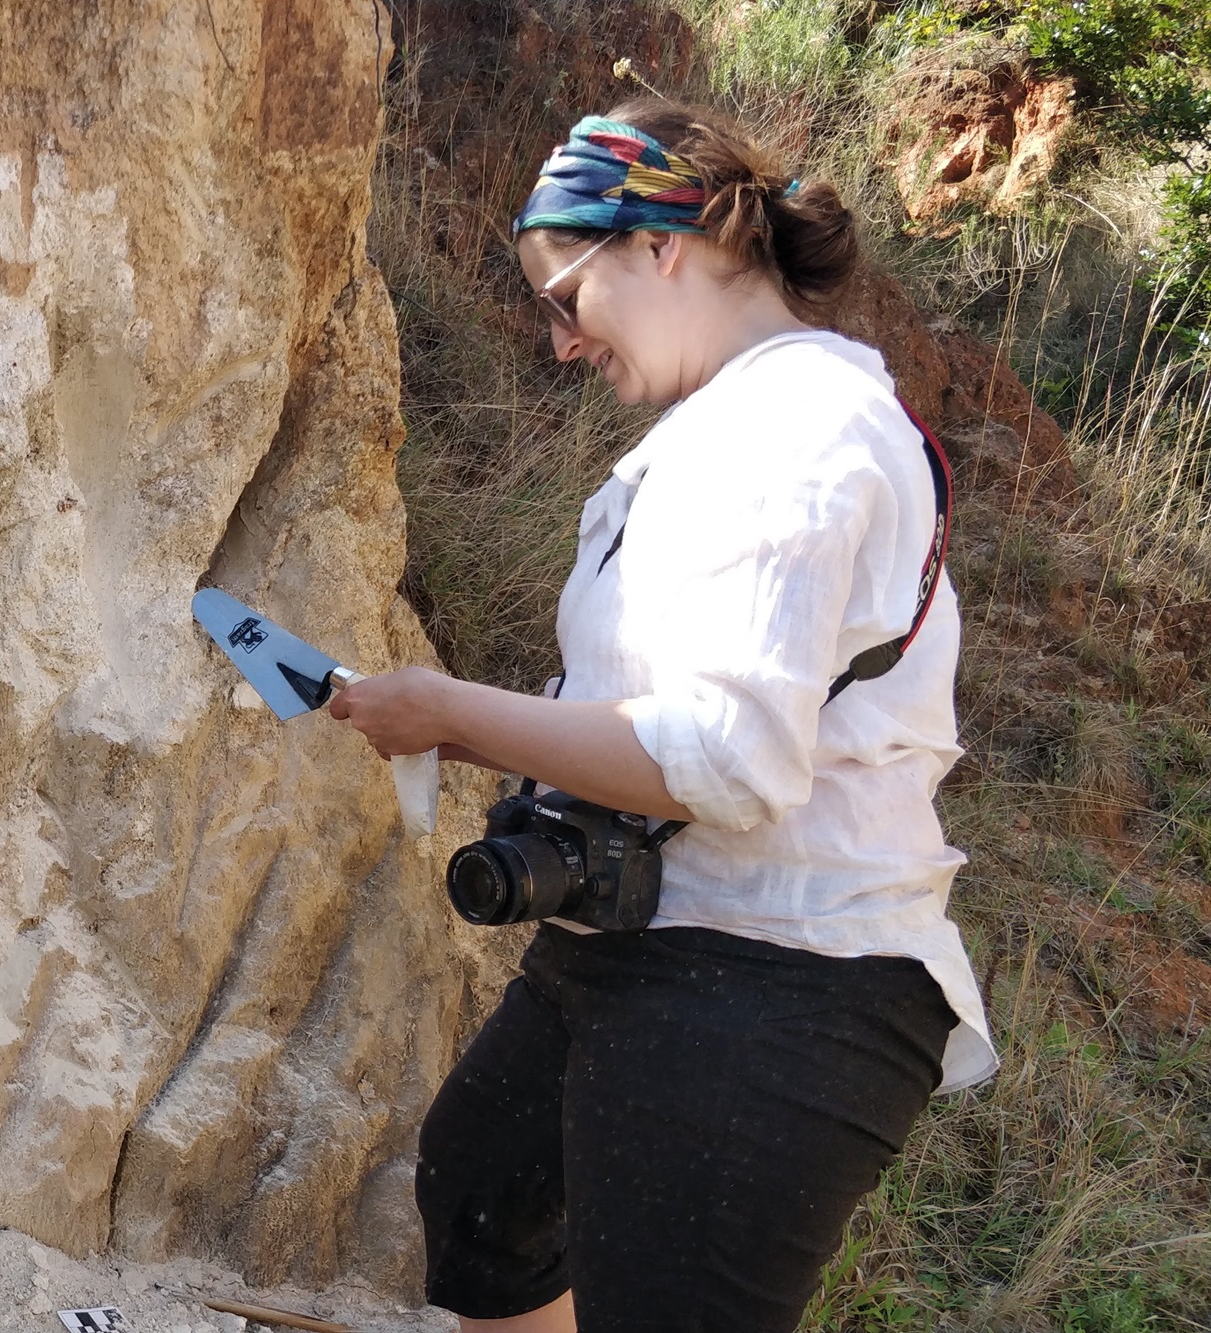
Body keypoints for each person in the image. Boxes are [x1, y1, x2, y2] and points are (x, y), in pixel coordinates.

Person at [328, 100, 997, 1333]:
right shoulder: (723, 427)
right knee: (483, 1197)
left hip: (781, 975)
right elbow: (652, 712)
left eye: (562, 299)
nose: (558, 344)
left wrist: (445, 706)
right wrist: (454, 729)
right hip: (652, 932)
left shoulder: (798, 428)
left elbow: (724, 757)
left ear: (660, 244)